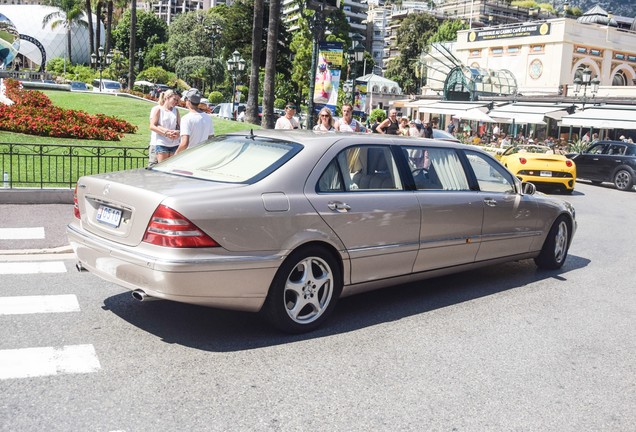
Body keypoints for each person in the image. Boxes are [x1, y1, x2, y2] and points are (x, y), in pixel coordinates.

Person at [175, 88, 214, 154]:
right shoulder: (208, 118)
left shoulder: (186, 119)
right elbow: (211, 138)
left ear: (188, 101)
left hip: (189, 156)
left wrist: (175, 156)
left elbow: (184, 143)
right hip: (202, 155)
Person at [149, 89, 181, 162]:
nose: (176, 102)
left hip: (174, 144)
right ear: (167, 97)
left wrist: (177, 132)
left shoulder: (176, 111)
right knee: (161, 167)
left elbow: (179, 126)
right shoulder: (158, 109)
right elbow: (152, 126)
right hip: (161, 143)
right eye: (174, 99)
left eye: (177, 100)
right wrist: (166, 133)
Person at [147, 92, 166, 166]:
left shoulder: (173, 110)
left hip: (166, 144)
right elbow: (152, 124)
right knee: (153, 164)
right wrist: (166, 132)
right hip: (156, 142)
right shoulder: (156, 109)